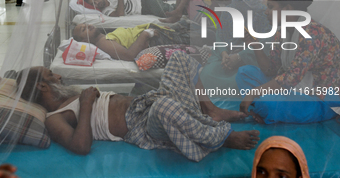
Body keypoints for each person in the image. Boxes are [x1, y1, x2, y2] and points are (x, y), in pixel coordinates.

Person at [16, 51, 260, 162]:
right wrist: (86, 104)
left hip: (145, 104)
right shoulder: (54, 118)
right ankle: (221, 137)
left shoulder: (69, 94)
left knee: (181, 59)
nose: (58, 76)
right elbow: (80, 147)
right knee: (166, 107)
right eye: (51, 75)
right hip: (141, 126)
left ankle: (210, 110)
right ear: (42, 88)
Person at [236, 0, 340, 124]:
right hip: (293, 88)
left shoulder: (313, 33)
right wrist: (256, 47)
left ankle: (265, 108)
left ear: (288, 9)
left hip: (319, 96)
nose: (266, 12)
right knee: (244, 73)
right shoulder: (281, 32)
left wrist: (254, 92)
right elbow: (271, 70)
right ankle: (264, 108)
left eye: (271, 7)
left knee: (267, 103)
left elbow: (291, 77)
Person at [200, 0, 271, 92]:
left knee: (237, 81)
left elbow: (267, 42)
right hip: (227, 58)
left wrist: (239, 57)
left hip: (252, 59)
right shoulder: (228, 11)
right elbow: (220, 37)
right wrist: (224, 54)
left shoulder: (263, 13)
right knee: (207, 73)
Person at [72, 22, 199, 61]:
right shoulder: (103, 43)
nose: (88, 26)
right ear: (84, 40)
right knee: (203, 35)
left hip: (155, 32)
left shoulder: (106, 37)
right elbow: (129, 55)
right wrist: (145, 34)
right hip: (155, 39)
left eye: (86, 24)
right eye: (84, 29)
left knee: (191, 25)